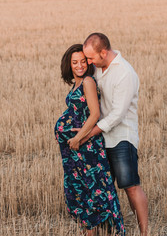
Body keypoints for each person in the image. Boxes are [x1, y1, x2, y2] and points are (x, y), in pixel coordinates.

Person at [72, 33, 149, 235]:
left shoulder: (125, 73)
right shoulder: (98, 69)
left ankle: (144, 233)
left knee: (130, 186)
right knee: (103, 190)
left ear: (103, 52)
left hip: (122, 138)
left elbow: (116, 115)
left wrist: (86, 134)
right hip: (100, 139)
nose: (88, 63)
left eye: (90, 58)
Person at [54, 44, 126, 236]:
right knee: (82, 191)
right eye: (74, 62)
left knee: (94, 190)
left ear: (88, 62)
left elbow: (94, 115)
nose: (79, 65)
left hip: (88, 147)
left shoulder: (88, 82)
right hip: (75, 150)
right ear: (68, 65)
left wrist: (78, 137)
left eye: (83, 61)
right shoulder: (76, 83)